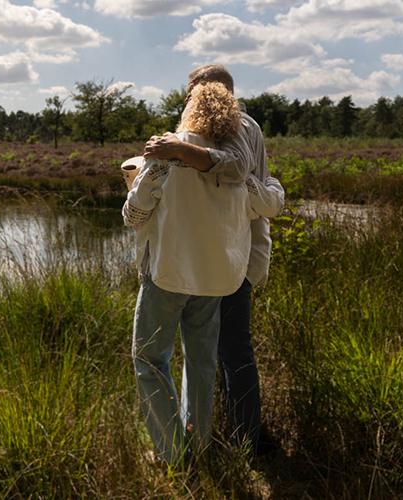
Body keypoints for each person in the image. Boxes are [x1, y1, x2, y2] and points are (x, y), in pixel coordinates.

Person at [144, 64, 286, 457]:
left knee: (228, 351)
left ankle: (239, 443)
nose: (192, 96)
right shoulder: (216, 125)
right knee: (211, 352)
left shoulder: (239, 126)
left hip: (228, 257)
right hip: (220, 256)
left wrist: (174, 153)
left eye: (194, 89)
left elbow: (239, 174)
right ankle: (222, 439)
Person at [121, 76, 253, 465]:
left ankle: (172, 454)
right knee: (201, 362)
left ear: (190, 109)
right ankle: (201, 446)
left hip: (170, 273)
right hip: (214, 279)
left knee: (149, 359)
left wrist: (133, 183)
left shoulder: (166, 153)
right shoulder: (233, 167)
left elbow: (136, 214)